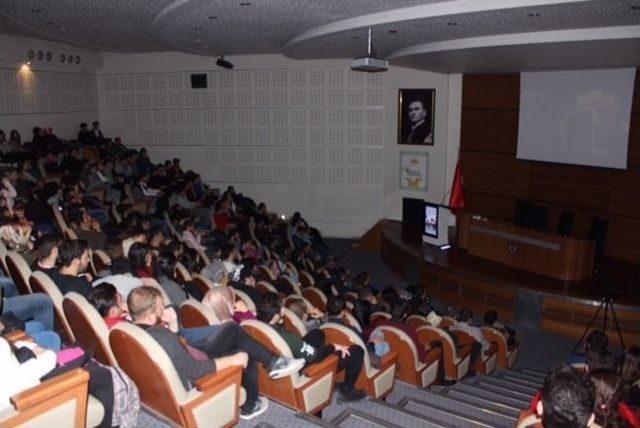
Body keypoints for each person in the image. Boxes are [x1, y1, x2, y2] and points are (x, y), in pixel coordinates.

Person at [127, 286, 304, 420]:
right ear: (150, 316)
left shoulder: (133, 331)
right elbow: (194, 370)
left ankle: (268, 372)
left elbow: (174, 349)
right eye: (160, 307)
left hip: (185, 364)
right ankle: (269, 369)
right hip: (198, 381)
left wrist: (173, 323)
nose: (163, 309)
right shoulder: (162, 336)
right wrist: (232, 361)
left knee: (237, 339)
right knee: (237, 340)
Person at [256, 293, 366, 402]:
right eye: (281, 309)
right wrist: (333, 347)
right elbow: (316, 356)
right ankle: (347, 391)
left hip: (284, 357)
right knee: (357, 351)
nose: (284, 311)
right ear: (275, 316)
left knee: (318, 333)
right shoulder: (288, 337)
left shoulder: (256, 326)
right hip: (299, 369)